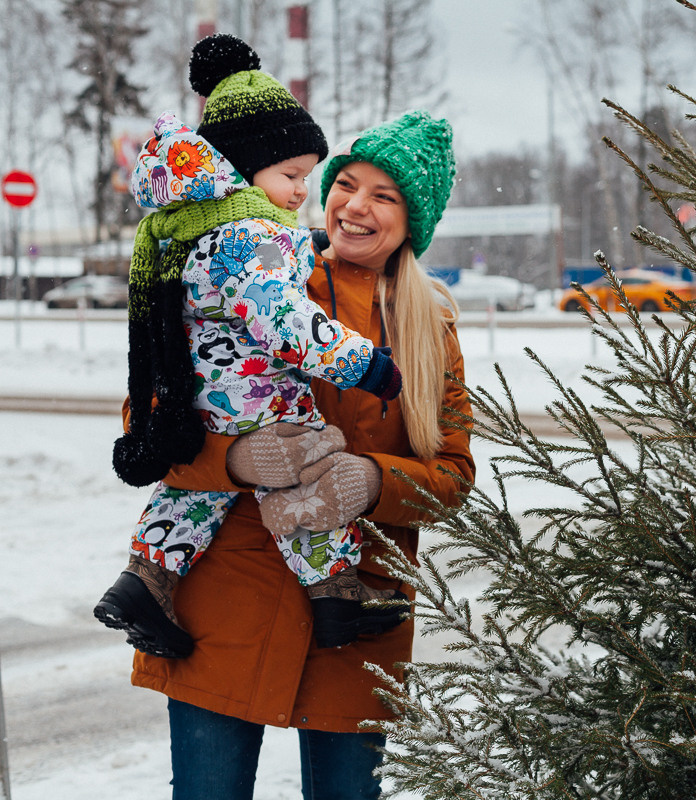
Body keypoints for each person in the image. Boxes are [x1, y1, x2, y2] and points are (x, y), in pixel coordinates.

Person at [126, 107, 471, 799]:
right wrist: (235, 460)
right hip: (230, 594)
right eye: (345, 183)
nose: (355, 206)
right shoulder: (256, 274)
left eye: (385, 195)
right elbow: (145, 422)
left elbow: (454, 475)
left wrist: (373, 480)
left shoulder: (429, 322)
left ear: (414, 221)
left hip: (355, 606)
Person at [94, 34, 406, 660]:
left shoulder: (192, 222)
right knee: (306, 470)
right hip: (255, 391)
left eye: (307, 178)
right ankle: (335, 593)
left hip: (200, 389)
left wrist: (301, 244)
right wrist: (359, 362)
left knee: (195, 491)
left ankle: (146, 579)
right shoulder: (249, 236)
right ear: (242, 167)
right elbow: (282, 319)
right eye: (291, 176)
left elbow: (241, 280)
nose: (301, 192)